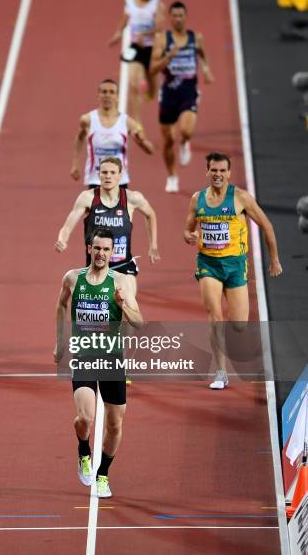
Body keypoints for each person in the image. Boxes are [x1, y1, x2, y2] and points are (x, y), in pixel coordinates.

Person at [54, 228, 143, 497]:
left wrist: (123, 305)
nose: (101, 253)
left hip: (113, 359)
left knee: (115, 424)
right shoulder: (72, 278)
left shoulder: (121, 282)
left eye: (106, 249)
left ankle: (102, 474)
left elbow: (140, 323)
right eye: (97, 248)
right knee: (85, 417)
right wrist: (60, 341)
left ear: (113, 252)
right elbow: (60, 306)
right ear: (89, 249)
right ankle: (84, 450)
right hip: (83, 355)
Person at [183, 152, 282, 389]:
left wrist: (274, 260)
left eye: (222, 171)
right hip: (208, 264)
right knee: (215, 317)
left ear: (229, 172)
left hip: (235, 266)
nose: (217, 174)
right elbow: (187, 229)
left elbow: (267, 226)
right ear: (207, 171)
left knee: (238, 325)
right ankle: (220, 372)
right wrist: (189, 236)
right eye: (213, 170)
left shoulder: (241, 198)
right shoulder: (197, 199)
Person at [56, 157, 160, 290]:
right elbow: (67, 227)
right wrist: (62, 240)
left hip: (123, 265)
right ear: (98, 174)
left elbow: (150, 214)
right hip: (96, 266)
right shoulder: (88, 198)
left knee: (128, 304)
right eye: (104, 172)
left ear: (120, 176)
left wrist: (153, 245)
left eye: (112, 172)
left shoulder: (132, 198)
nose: (108, 176)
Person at [150, 1, 214, 193]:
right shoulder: (162, 39)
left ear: (185, 17)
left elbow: (202, 54)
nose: (178, 19)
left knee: (185, 131)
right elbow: (153, 69)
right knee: (168, 141)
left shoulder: (196, 38)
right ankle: (171, 176)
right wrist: (168, 57)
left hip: (188, 91)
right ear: (170, 18)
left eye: (181, 15)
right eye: (174, 15)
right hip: (169, 93)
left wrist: (206, 69)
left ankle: (185, 143)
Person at [70, 78, 154, 187]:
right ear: (98, 95)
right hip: (96, 180)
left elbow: (150, 150)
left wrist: (141, 142)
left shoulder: (128, 122)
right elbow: (80, 138)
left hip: (120, 181)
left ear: (117, 97)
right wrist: (75, 164)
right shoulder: (87, 119)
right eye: (104, 92)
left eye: (111, 92)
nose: (107, 95)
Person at [108, 0, 165, 124]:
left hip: (153, 50)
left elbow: (160, 26)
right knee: (133, 84)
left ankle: (150, 89)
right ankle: (136, 122)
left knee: (153, 92)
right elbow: (125, 18)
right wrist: (118, 32)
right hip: (136, 48)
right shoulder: (131, 1)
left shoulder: (157, 3)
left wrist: (145, 34)